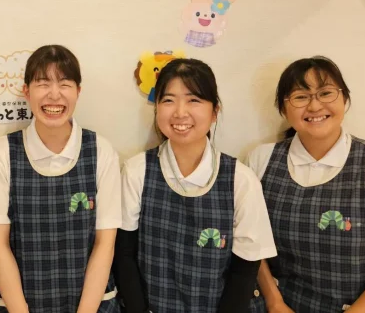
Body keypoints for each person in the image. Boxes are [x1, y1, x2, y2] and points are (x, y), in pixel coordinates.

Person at [114, 58, 276, 312]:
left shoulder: (241, 180)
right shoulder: (136, 171)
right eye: (168, 100)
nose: (180, 112)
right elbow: (124, 255)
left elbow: (244, 271)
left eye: (193, 100)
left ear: (215, 111)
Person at [0, 44, 122, 313]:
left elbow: (105, 245)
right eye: (43, 83)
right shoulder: (2, 152)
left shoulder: (101, 151)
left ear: (78, 91)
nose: (54, 95)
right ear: (26, 91)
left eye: (64, 84)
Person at [248, 56, 365, 312]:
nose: (314, 105)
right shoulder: (261, 160)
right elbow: (250, 240)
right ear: (283, 109)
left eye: (325, 93)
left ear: (344, 99)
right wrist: (275, 302)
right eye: (300, 97)